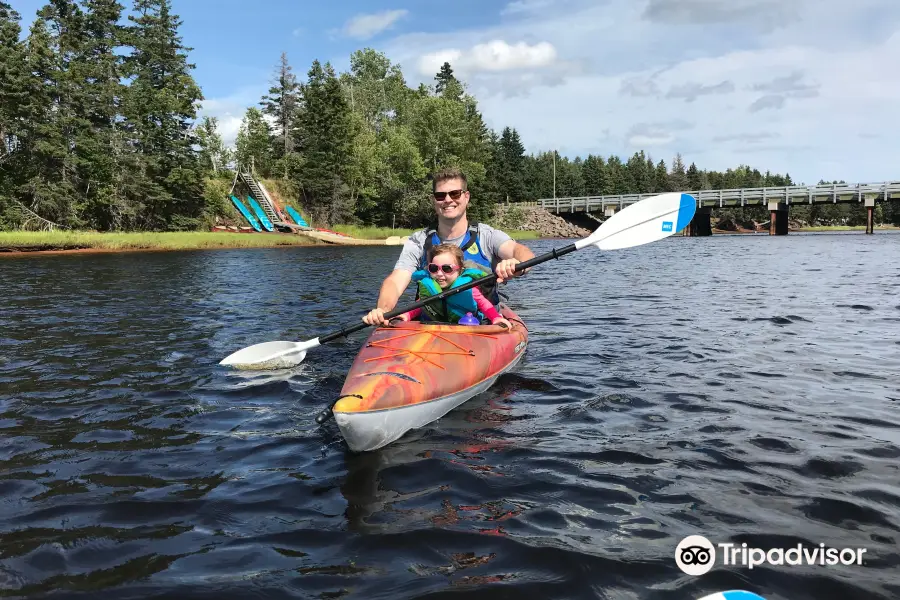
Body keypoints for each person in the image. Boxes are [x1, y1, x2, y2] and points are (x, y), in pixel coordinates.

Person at [363, 167, 535, 326]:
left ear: (466, 197)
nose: (447, 200)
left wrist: (515, 263)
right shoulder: (419, 240)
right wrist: (384, 309)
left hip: (481, 327)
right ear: (434, 200)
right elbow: (396, 280)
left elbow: (521, 252)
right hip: (431, 326)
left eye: (455, 194)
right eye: (440, 195)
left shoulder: (487, 235)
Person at [390, 243, 513, 327]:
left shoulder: (468, 288)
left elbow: (484, 305)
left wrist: (495, 318)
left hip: (466, 328)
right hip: (435, 328)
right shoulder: (429, 287)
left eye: (447, 269)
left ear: (459, 270)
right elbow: (418, 306)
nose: (439, 274)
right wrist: (404, 316)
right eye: (434, 268)